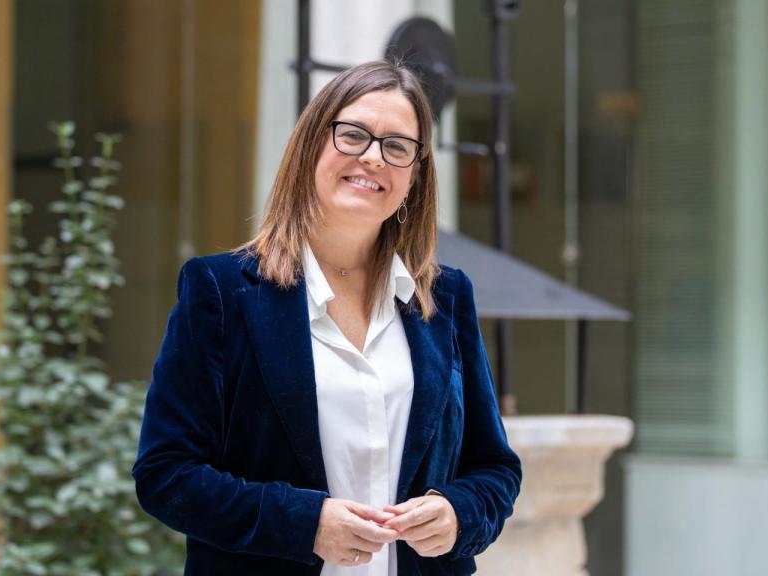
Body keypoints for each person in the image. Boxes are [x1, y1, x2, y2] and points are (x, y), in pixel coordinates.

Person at [132, 59, 521, 576]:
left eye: (397, 146)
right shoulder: (221, 292)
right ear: (313, 144)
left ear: (415, 176)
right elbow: (166, 475)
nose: (373, 157)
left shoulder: (445, 299)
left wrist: (458, 514)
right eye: (353, 134)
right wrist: (305, 523)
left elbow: (494, 468)